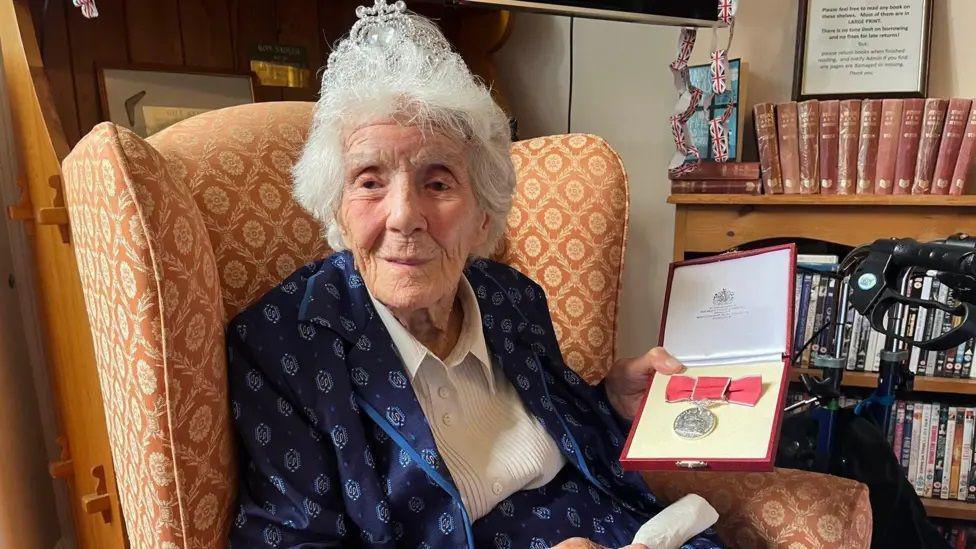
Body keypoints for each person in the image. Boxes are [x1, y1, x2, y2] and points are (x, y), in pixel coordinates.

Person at [226, 2, 724, 547]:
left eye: (437, 183)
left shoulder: (510, 298)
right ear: (337, 209)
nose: (404, 216)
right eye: (369, 181)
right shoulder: (283, 346)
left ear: (483, 212)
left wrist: (610, 402)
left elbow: (565, 434)